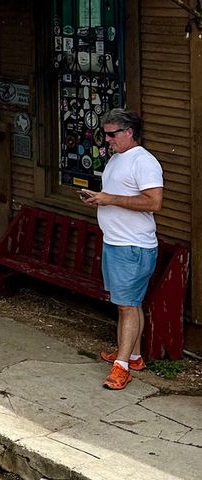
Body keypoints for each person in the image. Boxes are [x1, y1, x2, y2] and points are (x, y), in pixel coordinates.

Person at [79, 107, 163, 390]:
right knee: (129, 304)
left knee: (127, 307)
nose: (108, 140)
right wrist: (100, 199)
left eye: (112, 135)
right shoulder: (117, 159)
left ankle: (121, 366)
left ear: (129, 132)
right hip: (117, 242)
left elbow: (153, 202)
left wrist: (109, 199)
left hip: (133, 246)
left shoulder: (144, 162)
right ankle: (134, 356)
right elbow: (117, 196)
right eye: (105, 135)